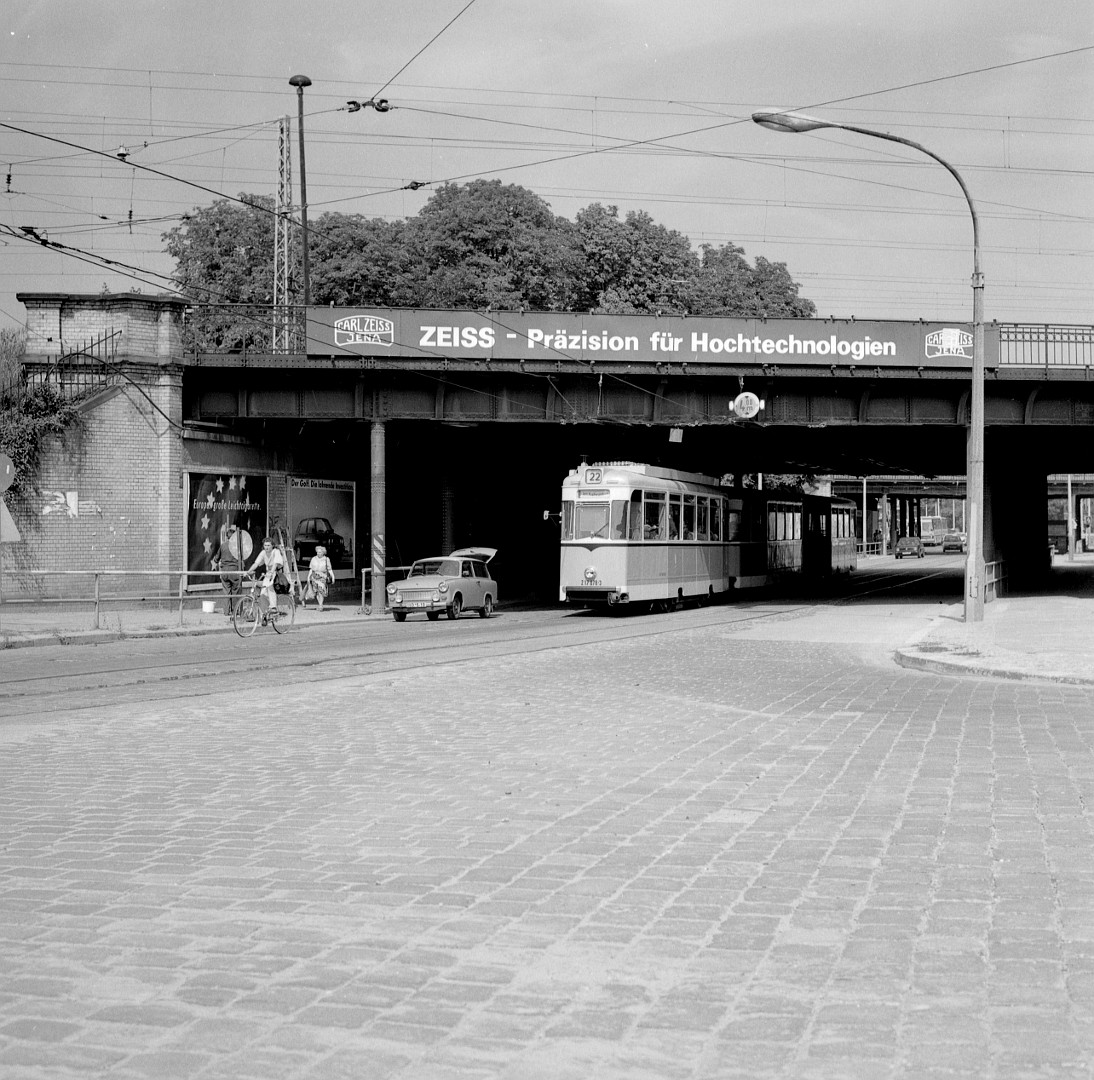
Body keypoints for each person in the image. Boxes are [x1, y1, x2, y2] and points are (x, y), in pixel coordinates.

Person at [247, 536, 285, 618]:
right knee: (263, 593)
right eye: (265, 545)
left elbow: (275, 563)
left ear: (272, 546)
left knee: (270, 587)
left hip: (277, 573)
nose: (266, 547)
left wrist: (271, 572)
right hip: (268, 574)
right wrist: (248, 571)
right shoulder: (263, 553)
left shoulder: (276, 552)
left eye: (268, 545)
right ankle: (266, 613)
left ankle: (273, 607)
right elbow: (256, 563)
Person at [212, 524, 243, 617]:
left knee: (226, 591)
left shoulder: (223, 546)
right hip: (235, 571)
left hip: (224, 571)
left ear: (227, 536)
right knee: (235, 591)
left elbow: (216, 559)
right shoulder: (238, 547)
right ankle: (234, 611)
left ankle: (226, 611)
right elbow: (242, 558)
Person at [306, 545, 335, 611]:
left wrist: (333, 577)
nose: (318, 553)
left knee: (321, 590)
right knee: (316, 591)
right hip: (314, 577)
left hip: (323, 577)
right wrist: (308, 577)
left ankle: (321, 605)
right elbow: (311, 569)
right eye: (317, 552)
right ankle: (319, 604)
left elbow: (329, 569)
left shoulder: (326, 559)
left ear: (323, 553)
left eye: (319, 552)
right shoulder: (313, 559)